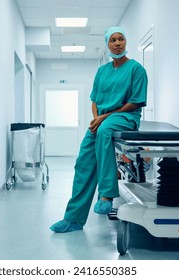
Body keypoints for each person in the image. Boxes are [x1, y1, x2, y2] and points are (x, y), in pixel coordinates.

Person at [50, 26, 148, 233]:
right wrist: (96, 118)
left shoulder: (136, 69)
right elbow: (94, 100)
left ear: (126, 42)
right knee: (83, 161)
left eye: (121, 39)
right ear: (107, 45)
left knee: (104, 131)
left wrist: (104, 118)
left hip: (125, 116)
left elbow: (135, 102)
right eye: (113, 40)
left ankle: (106, 194)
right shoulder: (102, 71)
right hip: (101, 120)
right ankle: (73, 219)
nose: (117, 43)